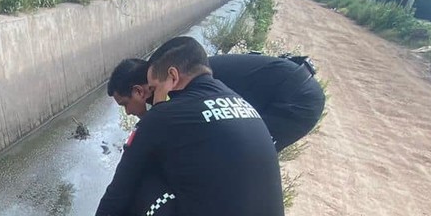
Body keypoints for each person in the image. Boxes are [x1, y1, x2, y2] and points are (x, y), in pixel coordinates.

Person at [87, 36, 288, 216]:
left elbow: (120, 189)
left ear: (172, 76)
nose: (152, 95)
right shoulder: (240, 102)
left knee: (143, 174)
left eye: (155, 87)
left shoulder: (164, 117)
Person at [107, 51, 324, 151]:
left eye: (124, 104)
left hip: (296, 98)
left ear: (138, 91)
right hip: (287, 84)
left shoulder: (175, 90)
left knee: (246, 154)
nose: (127, 112)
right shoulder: (172, 79)